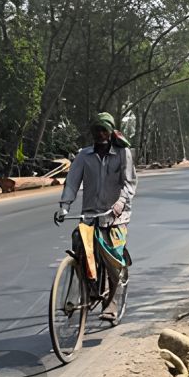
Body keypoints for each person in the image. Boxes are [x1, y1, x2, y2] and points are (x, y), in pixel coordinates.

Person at [54, 112, 137, 322]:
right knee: (79, 243)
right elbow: (72, 182)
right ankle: (86, 287)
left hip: (115, 216)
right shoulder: (84, 155)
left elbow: (129, 183)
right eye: (96, 130)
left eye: (103, 130)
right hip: (90, 214)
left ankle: (112, 303)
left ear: (110, 132)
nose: (100, 134)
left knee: (112, 258)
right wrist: (64, 206)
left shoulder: (122, 153)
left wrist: (120, 203)